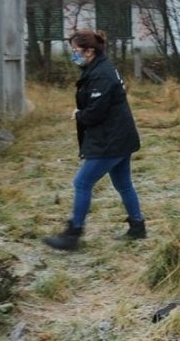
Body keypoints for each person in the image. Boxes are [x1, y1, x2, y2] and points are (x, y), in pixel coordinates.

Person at [43, 29, 146, 250]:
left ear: (89, 51)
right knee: (123, 183)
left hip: (112, 140)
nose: (74, 55)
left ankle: (73, 234)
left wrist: (79, 115)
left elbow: (96, 112)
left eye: (76, 51)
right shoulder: (98, 68)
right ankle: (138, 227)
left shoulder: (101, 74)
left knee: (82, 182)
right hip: (119, 136)